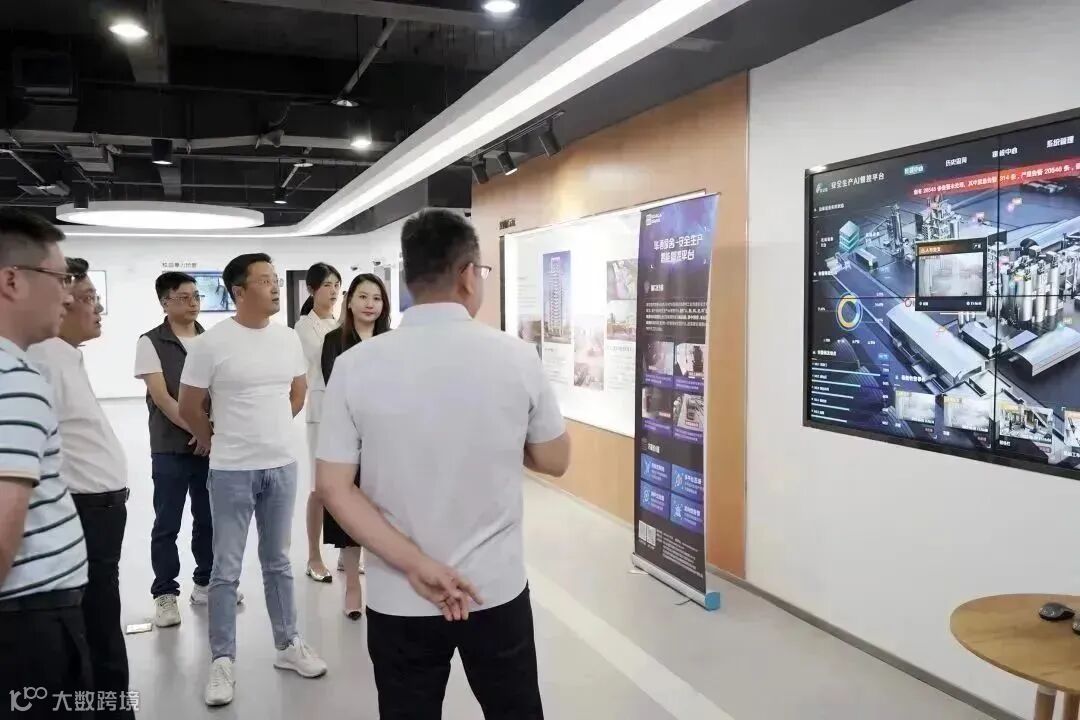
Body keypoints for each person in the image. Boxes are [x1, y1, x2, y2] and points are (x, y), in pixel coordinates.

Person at [317, 210, 570, 719]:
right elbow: (554, 458)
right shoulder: (516, 356)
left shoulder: (355, 365)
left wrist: (417, 564)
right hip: (493, 588)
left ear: (409, 278)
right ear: (468, 275)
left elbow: (334, 488)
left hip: (399, 591)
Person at [178, 253, 327, 707]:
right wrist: (215, 440)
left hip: (281, 465)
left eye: (275, 279)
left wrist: (273, 430)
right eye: (265, 280)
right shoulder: (211, 344)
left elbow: (298, 392)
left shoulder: (287, 338)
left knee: (278, 561)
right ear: (239, 291)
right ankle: (222, 660)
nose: (276, 287)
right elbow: (189, 406)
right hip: (231, 470)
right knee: (225, 569)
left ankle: (288, 644)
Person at [28, 257, 133, 720]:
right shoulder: (43, 359)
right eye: (89, 298)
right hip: (81, 511)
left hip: (97, 510)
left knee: (100, 619)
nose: (98, 308)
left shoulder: (64, 354)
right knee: (95, 627)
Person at [0, 211, 92, 718]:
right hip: (28, 621)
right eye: (60, 279)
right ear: (12, 281)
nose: (68, 296)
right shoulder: (14, 379)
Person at [135, 272, 240, 628]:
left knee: (208, 518)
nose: (193, 302)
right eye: (183, 297)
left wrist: (209, 433)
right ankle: (165, 594)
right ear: (164, 302)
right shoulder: (151, 342)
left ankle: (205, 582)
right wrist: (199, 430)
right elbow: (162, 398)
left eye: (196, 296)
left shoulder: (210, 341)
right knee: (167, 522)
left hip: (208, 446)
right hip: (170, 447)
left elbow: (222, 390)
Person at [319, 273, 390, 619]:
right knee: (348, 508)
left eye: (376, 298)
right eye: (363, 297)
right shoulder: (335, 340)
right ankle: (352, 585)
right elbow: (335, 389)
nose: (369, 304)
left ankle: (385, 581)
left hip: (386, 437)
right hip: (348, 437)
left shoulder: (392, 341)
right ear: (349, 301)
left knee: (383, 508)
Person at [294, 262, 342, 583]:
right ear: (312, 289)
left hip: (349, 412)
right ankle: (314, 556)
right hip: (321, 412)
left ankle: (347, 552)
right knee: (320, 487)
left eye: (337, 285)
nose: (334, 290)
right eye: (327, 285)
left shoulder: (341, 323)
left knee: (349, 485)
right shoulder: (303, 328)